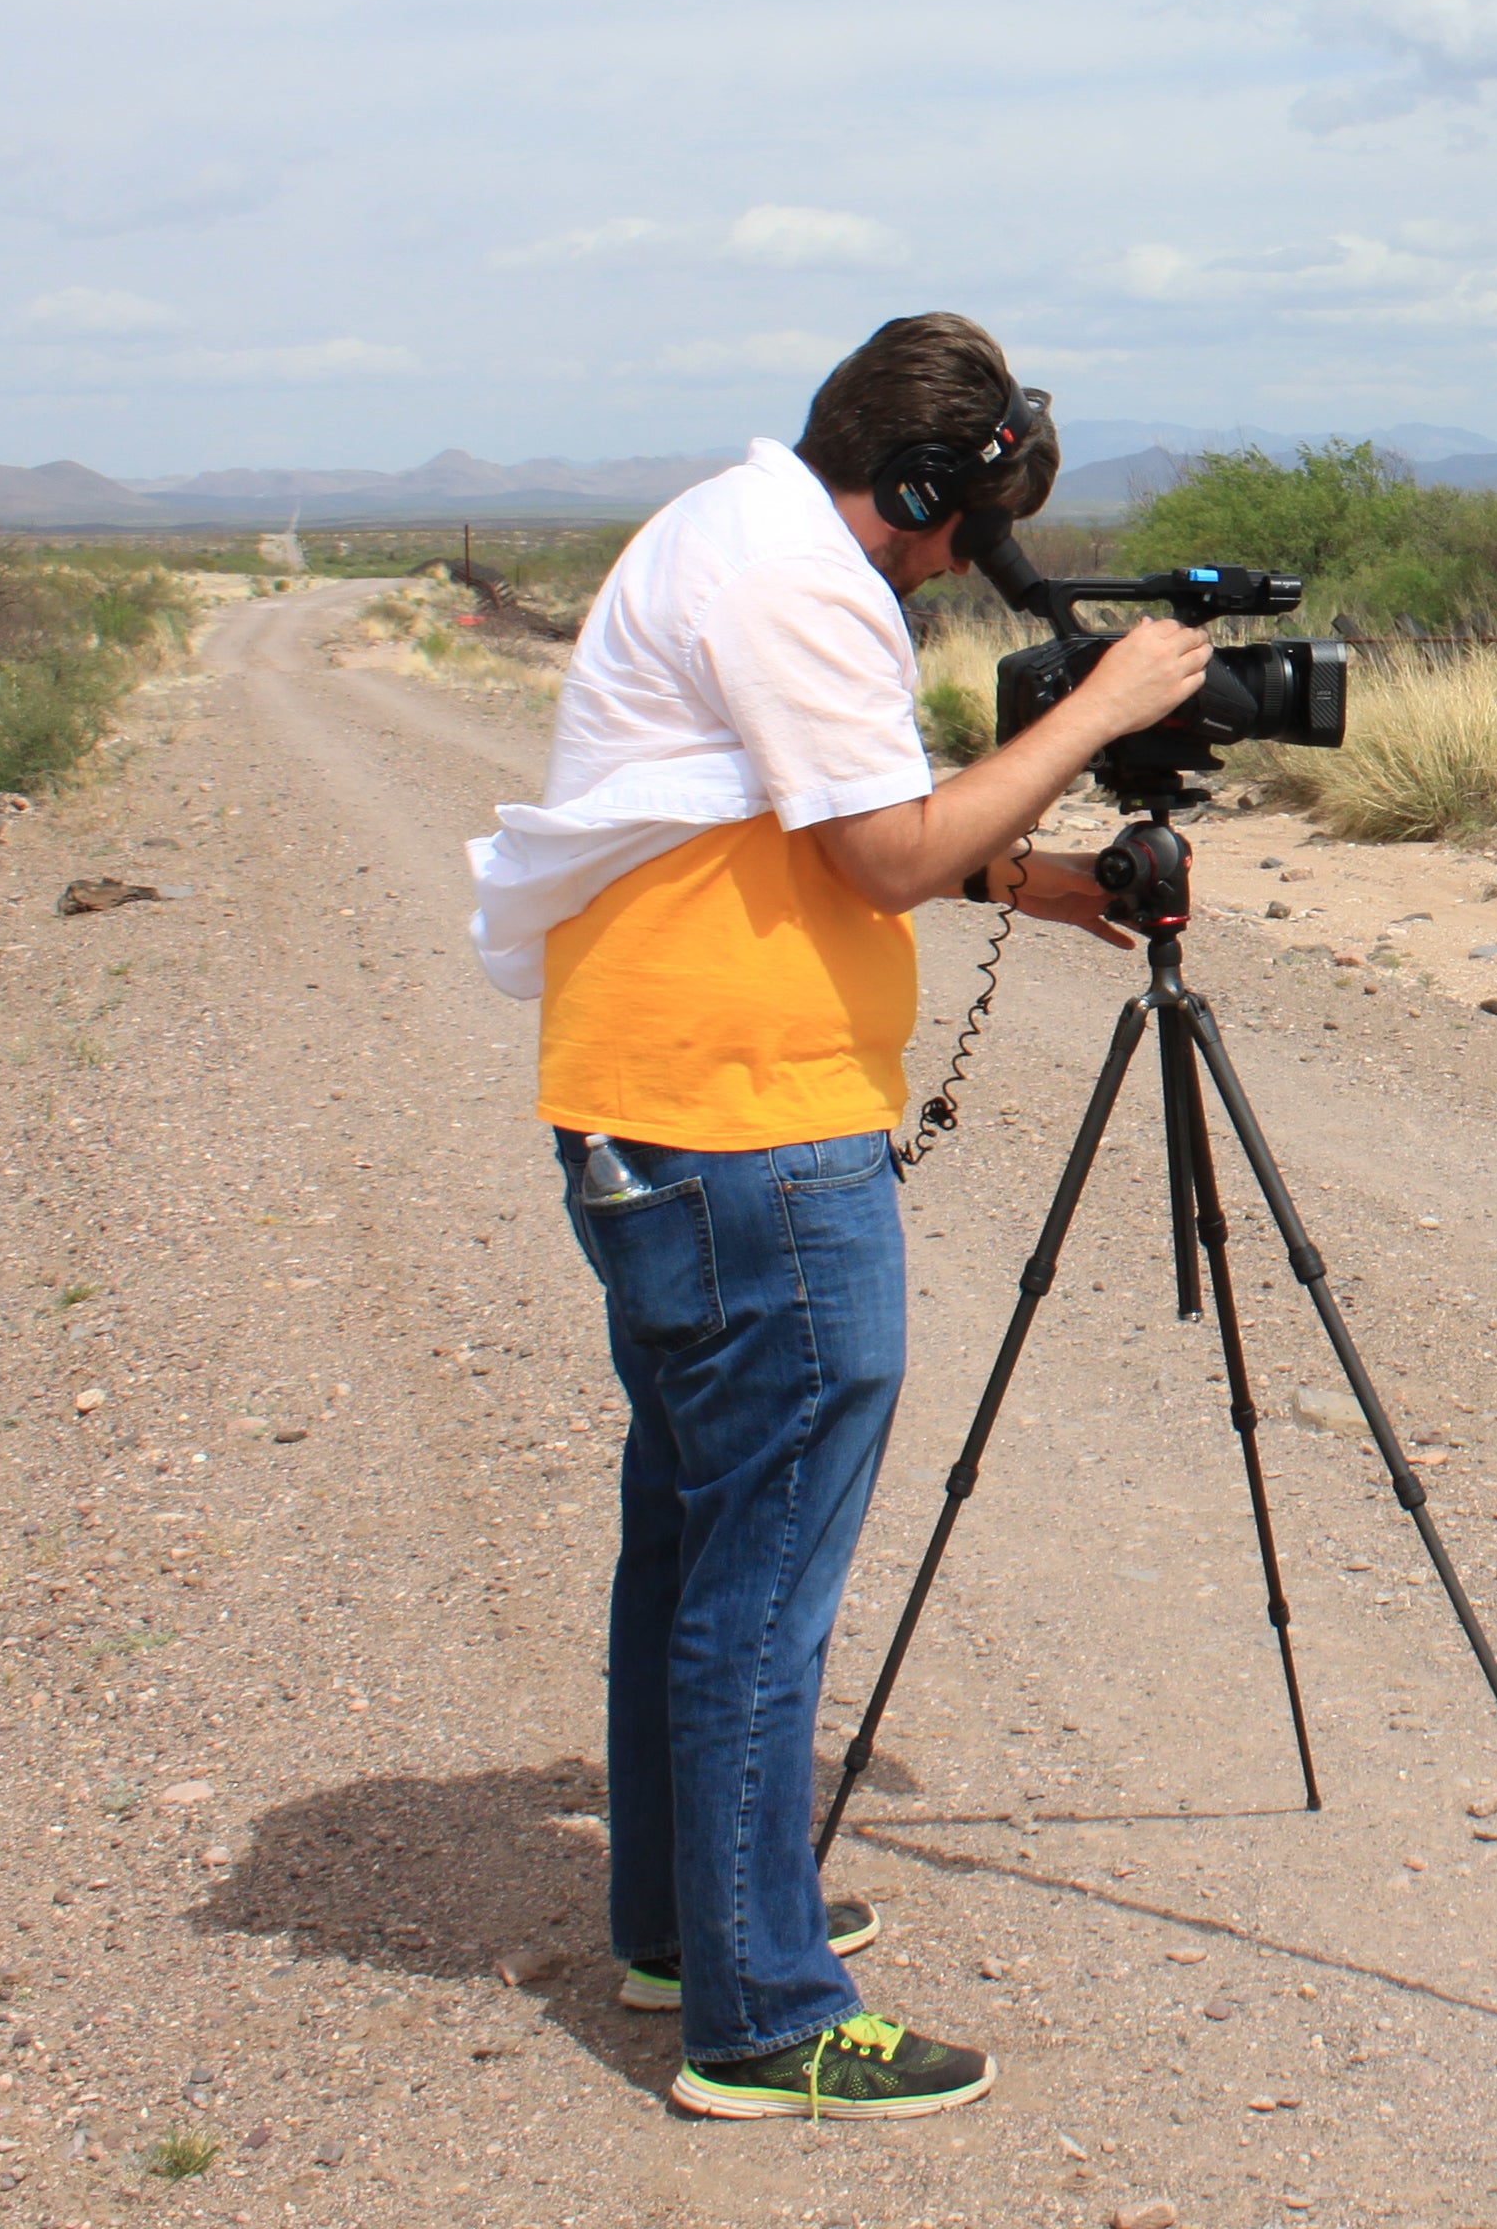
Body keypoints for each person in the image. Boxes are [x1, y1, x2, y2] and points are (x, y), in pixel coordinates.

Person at [466, 315, 1210, 2121]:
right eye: (961, 528)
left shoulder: (732, 532)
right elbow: (875, 857)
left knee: (695, 1546)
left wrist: (1038, 884)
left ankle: (688, 1924)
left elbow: (811, 830)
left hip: (665, 1106)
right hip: (746, 1131)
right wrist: (1104, 707)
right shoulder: (798, 581)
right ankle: (761, 2012)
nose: (964, 568)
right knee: (761, 1576)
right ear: (915, 486)